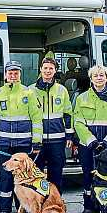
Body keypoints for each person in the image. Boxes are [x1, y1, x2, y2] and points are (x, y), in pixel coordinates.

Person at [0, 61, 43, 213]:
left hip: (24, 144)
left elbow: (36, 119)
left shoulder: (29, 93)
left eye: (16, 72)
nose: (13, 75)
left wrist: (37, 142)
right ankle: (4, 210)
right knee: (4, 177)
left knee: (24, 178)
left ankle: (23, 210)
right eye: (10, 72)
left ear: (20, 75)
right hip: (3, 145)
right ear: (5, 75)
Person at [73, 65, 107, 213]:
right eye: (95, 76)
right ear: (91, 79)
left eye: (102, 75)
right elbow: (78, 122)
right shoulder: (82, 98)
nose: (99, 78)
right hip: (88, 145)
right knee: (88, 175)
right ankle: (89, 206)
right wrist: (93, 142)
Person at [29, 58, 73, 194]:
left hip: (57, 140)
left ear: (55, 71)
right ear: (40, 70)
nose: (48, 71)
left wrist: (69, 135)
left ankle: (55, 202)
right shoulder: (30, 90)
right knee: (37, 174)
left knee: (56, 173)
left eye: (51, 68)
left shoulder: (62, 90)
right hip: (38, 140)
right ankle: (39, 203)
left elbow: (68, 114)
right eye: (45, 68)